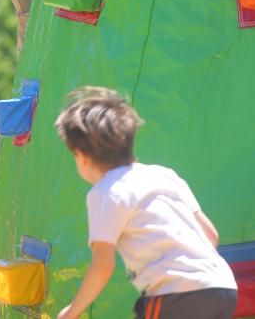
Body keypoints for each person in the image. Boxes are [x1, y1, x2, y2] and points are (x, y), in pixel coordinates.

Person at [55, 87, 237, 319]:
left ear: (81, 156)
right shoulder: (164, 175)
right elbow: (211, 236)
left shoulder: (105, 191)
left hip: (175, 293)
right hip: (221, 286)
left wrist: (72, 311)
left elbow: (102, 267)